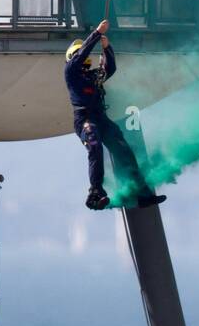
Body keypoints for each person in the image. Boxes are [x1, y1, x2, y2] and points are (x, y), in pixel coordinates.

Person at [64, 20, 165, 211]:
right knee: (94, 146)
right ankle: (95, 192)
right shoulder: (70, 72)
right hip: (84, 119)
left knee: (123, 149)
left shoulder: (92, 76)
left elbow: (110, 69)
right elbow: (80, 56)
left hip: (100, 118)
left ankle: (139, 192)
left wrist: (106, 47)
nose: (83, 59)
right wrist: (96, 33)